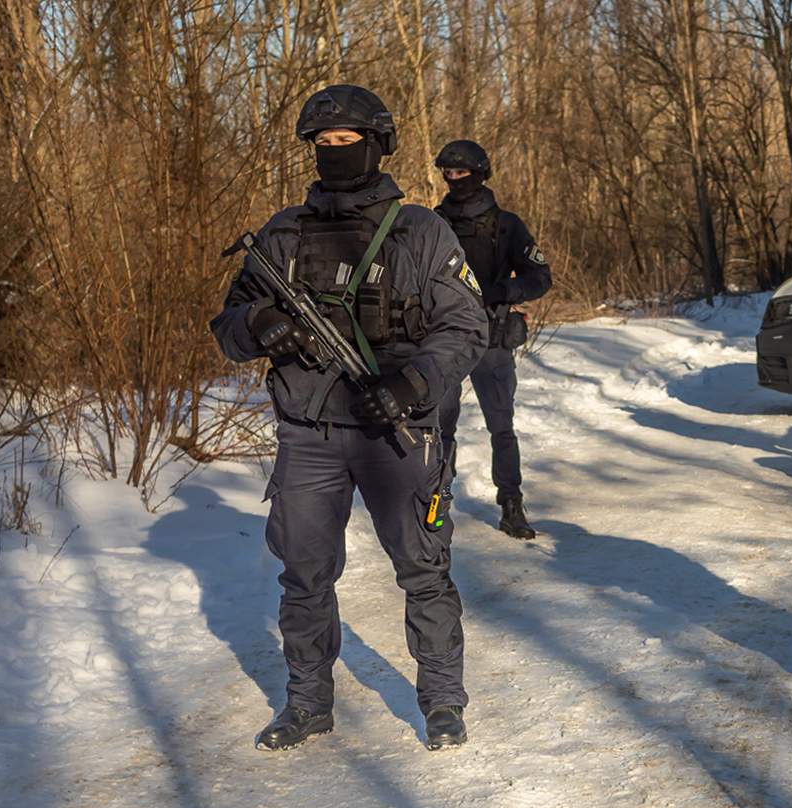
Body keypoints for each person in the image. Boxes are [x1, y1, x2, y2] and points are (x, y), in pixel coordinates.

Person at [209, 85, 489, 753]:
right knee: (304, 575)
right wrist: (260, 321)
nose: (336, 155)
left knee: (423, 570)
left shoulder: (421, 231)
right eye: (323, 145)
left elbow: (466, 325)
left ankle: (443, 700)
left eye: (348, 142)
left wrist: (413, 380)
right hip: (309, 435)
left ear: (379, 143)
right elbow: (226, 326)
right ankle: (307, 703)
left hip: (396, 431)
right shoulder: (280, 235)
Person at [433, 139, 554, 540]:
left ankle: (511, 503)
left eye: (461, 173)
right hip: (444, 338)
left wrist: (505, 292)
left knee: (501, 427)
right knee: (439, 428)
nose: (454, 180)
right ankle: (436, 502)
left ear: (481, 174)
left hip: (493, 338)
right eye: (448, 175)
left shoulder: (507, 225)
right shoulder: (434, 224)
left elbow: (540, 277)